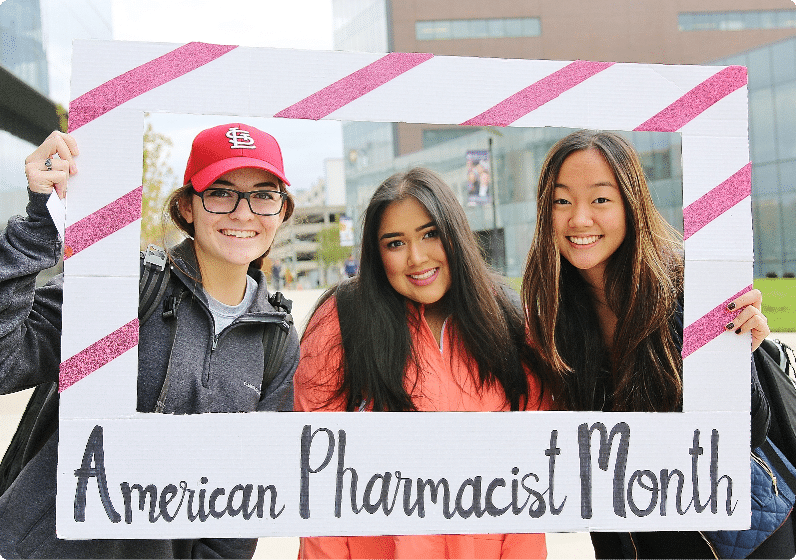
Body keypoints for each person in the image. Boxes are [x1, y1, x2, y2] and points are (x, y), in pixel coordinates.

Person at [0, 123, 299, 558]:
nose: (243, 212)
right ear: (187, 207)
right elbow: (4, 360)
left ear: (282, 211)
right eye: (220, 192)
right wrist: (37, 225)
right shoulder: (127, 286)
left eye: (264, 195)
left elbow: (245, 499)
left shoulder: (277, 339)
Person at [521, 129, 778, 558]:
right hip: (630, 546)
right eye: (561, 201)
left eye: (600, 199)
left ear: (631, 204)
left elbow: (749, 432)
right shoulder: (548, 318)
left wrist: (736, 358)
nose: (579, 219)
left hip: (737, 540)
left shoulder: (686, 291)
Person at [294, 168, 550, 560]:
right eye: (395, 243)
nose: (416, 258)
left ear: (455, 234)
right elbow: (319, 476)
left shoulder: (508, 320)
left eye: (430, 234)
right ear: (377, 253)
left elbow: (530, 478)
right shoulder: (343, 320)